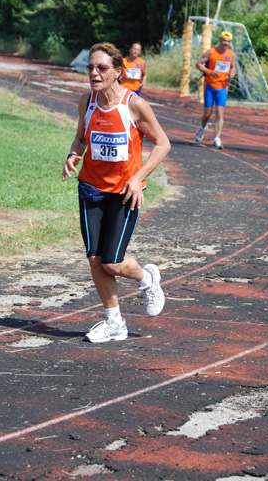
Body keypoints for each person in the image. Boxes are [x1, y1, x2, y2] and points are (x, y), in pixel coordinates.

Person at [62, 42, 171, 343]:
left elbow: (162, 144)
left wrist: (138, 178)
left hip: (124, 193)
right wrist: (74, 154)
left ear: (118, 72)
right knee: (95, 260)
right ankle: (114, 322)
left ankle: (146, 278)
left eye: (102, 68)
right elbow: (81, 139)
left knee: (112, 262)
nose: (94, 73)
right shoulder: (87, 102)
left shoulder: (133, 105)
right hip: (91, 190)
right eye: (91, 68)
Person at [195, 30, 236, 149]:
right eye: (224, 40)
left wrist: (233, 73)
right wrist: (208, 71)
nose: (226, 43)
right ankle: (203, 128)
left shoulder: (231, 54)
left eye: (228, 41)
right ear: (220, 40)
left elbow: (233, 67)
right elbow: (198, 64)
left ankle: (217, 138)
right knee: (207, 113)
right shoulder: (211, 52)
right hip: (210, 86)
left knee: (219, 112)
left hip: (222, 87)